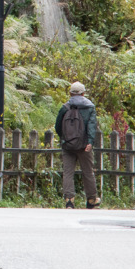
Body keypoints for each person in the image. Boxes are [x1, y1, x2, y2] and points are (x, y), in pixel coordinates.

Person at [55, 81, 100, 210]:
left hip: (68, 145)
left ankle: (69, 200)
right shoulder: (90, 107)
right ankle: (91, 199)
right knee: (88, 172)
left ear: (70, 93)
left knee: (68, 172)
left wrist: (65, 139)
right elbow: (92, 127)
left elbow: (58, 126)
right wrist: (90, 142)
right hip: (84, 146)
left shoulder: (64, 108)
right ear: (83, 93)